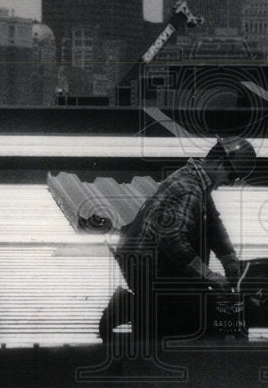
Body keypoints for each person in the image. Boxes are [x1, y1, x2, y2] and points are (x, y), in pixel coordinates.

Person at [102, 136, 256, 342]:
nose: (229, 183)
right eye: (232, 176)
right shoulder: (189, 189)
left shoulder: (197, 180)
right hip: (146, 266)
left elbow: (213, 224)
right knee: (195, 316)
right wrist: (210, 277)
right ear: (220, 164)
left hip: (148, 259)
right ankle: (131, 307)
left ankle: (147, 305)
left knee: (195, 304)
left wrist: (229, 259)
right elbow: (171, 241)